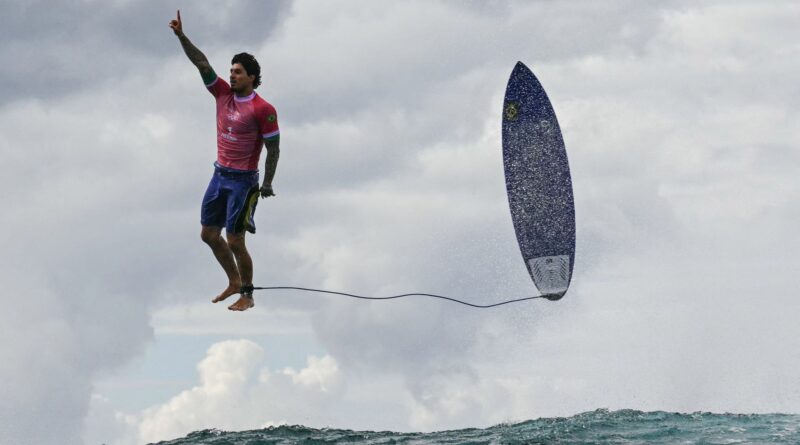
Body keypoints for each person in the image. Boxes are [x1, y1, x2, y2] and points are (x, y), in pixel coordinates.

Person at [169, 10, 280, 311]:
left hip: (243, 182)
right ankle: (233, 280)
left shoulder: (263, 109)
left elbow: (274, 148)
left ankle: (247, 293)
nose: (232, 75)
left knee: (235, 239)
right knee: (208, 234)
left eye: (238, 72)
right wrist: (181, 36)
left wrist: (267, 183)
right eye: (231, 71)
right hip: (219, 175)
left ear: (252, 77)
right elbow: (201, 63)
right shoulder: (221, 94)